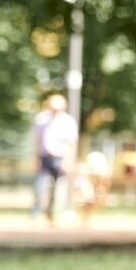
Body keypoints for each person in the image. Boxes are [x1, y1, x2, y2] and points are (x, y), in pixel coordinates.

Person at [31, 93, 78, 222]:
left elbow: (71, 143)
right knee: (41, 185)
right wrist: (36, 158)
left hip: (60, 157)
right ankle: (38, 212)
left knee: (60, 188)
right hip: (44, 157)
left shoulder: (68, 121)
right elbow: (37, 140)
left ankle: (56, 212)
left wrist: (69, 160)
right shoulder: (41, 119)